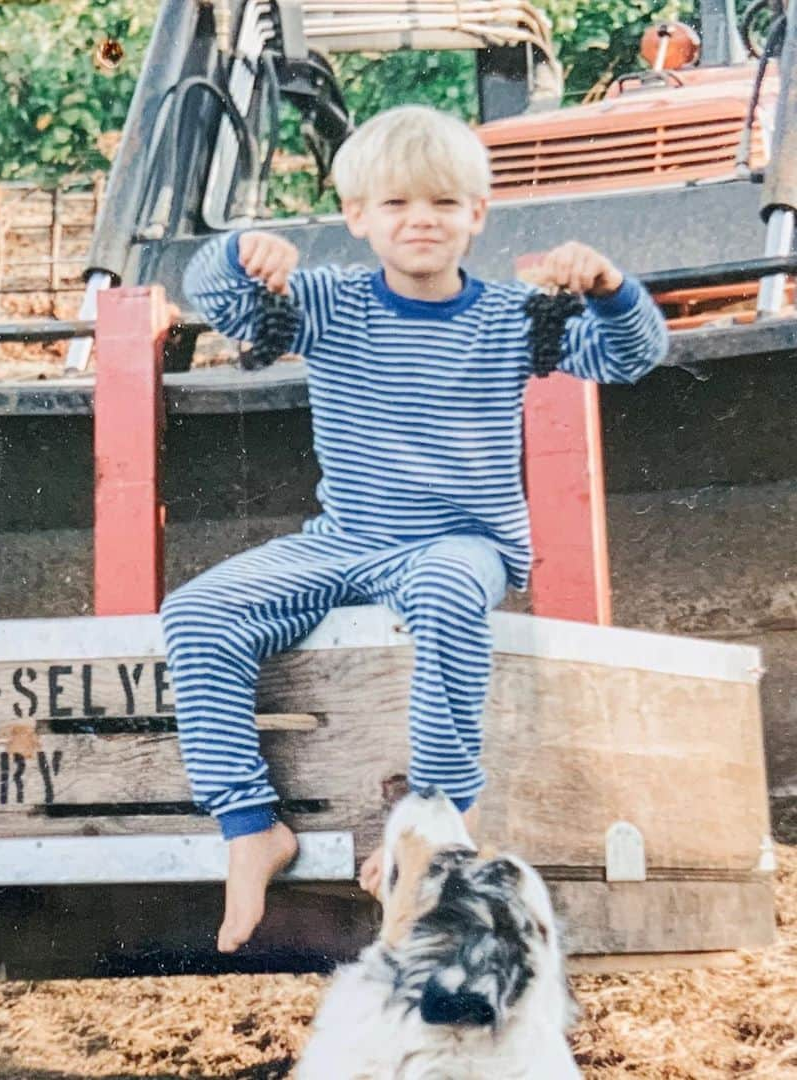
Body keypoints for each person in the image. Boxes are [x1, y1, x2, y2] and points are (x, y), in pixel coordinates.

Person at [160, 104, 668, 953]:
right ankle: (252, 826)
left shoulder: (513, 317)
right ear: (357, 218)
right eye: (394, 204)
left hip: (461, 543)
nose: (420, 220)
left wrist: (612, 291)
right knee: (197, 613)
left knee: (440, 589)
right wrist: (241, 251)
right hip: (346, 539)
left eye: (442, 203)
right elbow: (217, 300)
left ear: (478, 214)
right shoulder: (324, 303)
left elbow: (631, 356)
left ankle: (436, 816)